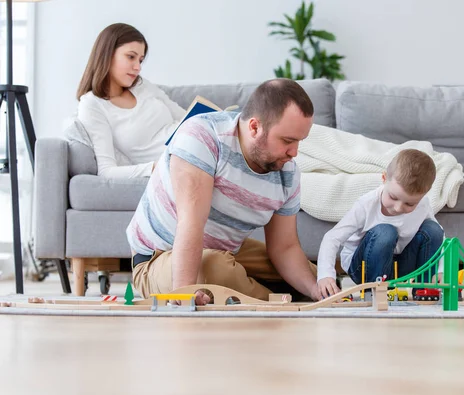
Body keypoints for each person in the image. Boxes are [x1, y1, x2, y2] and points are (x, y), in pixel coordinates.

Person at [126, 78, 321, 305]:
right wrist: (183, 293)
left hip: (227, 252)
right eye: (287, 140)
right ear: (255, 127)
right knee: (213, 270)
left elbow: (284, 247)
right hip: (159, 257)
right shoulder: (202, 135)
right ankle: (279, 300)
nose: (294, 152)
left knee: (314, 276)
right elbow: (191, 223)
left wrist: (317, 290)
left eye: (299, 141)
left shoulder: (287, 173)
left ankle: (269, 295)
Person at [316, 149, 444, 298]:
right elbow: (332, 237)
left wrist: (441, 271)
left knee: (433, 230)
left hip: (397, 266)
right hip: (363, 268)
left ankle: (425, 289)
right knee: (386, 232)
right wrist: (325, 275)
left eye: (409, 204)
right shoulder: (366, 204)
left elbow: (439, 238)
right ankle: (375, 292)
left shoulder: (423, 205)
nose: (398, 208)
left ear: (422, 197)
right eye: (393, 197)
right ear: (384, 178)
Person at [76, 23, 186, 179]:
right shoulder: (92, 104)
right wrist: (158, 167)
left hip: (195, 141)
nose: (138, 67)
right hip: (181, 160)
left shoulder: (141, 85)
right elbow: (107, 171)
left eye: (140, 60)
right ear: (107, 54)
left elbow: (184, 117)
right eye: (131, 57)